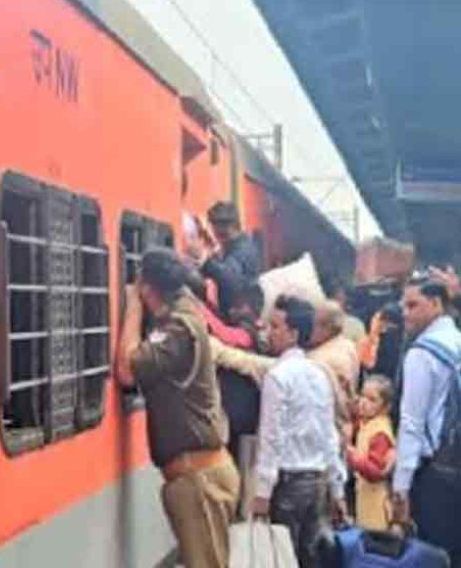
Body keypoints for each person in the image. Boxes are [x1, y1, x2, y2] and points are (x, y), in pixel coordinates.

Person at [116, 249, 238, 568]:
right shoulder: (184, 315)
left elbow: (127, 370)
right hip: (198, 476)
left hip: (199, 480)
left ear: (147, 288)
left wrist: (132, 308)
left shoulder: (179, 328)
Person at [250, 295, 347, 568]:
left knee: (281, 558)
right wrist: (337, 489)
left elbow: (272, 437)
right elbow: (328, 435)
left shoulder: (278, 376)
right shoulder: (319, 373)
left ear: (293, 334)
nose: (268, 332)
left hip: (288, 485)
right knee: (311, 560)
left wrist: (262, 491)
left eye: (275, 326)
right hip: (317, 483)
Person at [390, 278, 461, 564]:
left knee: (431, 556)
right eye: (403, 306)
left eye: (413, 305)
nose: (405, 314)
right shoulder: (457, 342)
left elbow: (412, 424)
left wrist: (400, 487)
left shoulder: (423, 353)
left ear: (436, 304)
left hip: (434, 476)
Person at [195, 201, 262, 319]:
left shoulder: (243, 249)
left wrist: (206, 262)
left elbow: (230, 279)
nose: (216, 232)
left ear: (234, 225)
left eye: (220, 227)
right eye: (214, 226)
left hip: (242, 318)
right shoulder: (234, 246)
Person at [347, 375, 396, 532]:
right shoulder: (367, 423)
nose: (364, 402)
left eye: (372, 400)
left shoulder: (380, 432)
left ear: (385, 407)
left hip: (375, 504)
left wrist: (351, 455)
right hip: (365, 498)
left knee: (373, 538)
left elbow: (376, 472)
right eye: (363, 396)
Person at [308, 301, 360, 404]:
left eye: (313, 324)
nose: (310, 329)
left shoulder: (324, 359)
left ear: (328, 328)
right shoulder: (348, 344)